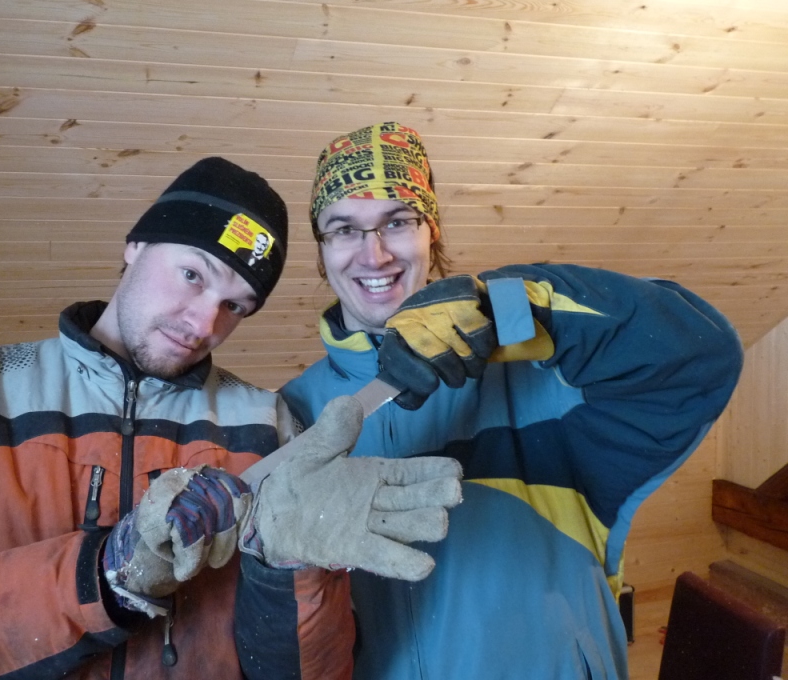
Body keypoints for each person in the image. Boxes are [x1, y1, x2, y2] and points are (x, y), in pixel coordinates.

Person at [0, 156, 464, 680]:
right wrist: (107, 572)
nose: (203, 323)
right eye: (192, 274)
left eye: (235, 306)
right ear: (135, 244)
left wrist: (292, 573)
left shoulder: (266, 422)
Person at [279, 122, 745, 680]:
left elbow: (703, 353)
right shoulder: (290, 414)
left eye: (397, 222)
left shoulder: (552, 377)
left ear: (431, 231)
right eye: (343, 229)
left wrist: (510, 308)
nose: (373, 254)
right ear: (322, 248)